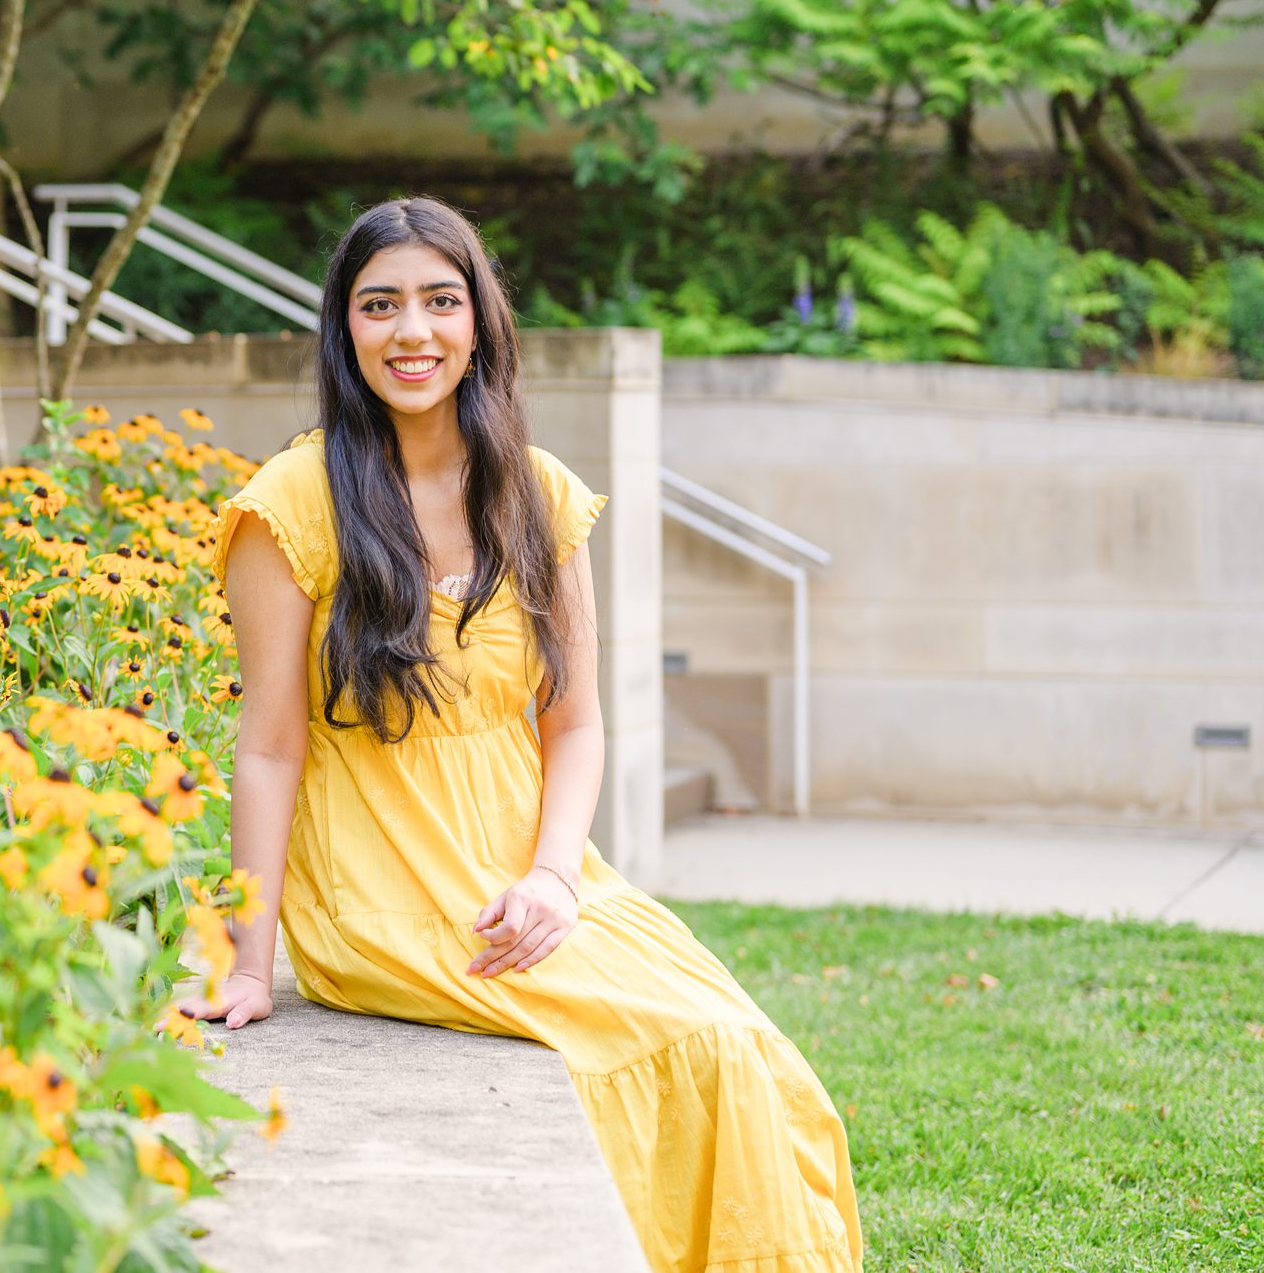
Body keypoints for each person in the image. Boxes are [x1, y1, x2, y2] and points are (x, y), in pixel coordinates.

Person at [183, 197, 862, 1273]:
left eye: (440, 301)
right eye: (381, 305)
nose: (413, 332)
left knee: (748, 1055)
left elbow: (576, 722)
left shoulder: (539, 496)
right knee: (669, 1044)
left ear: (481, 322)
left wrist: (553, 879)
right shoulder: (292, 503)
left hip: (533, 874)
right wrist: (247, 959)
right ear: (343, 329)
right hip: (386, 893)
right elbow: (268, 745)